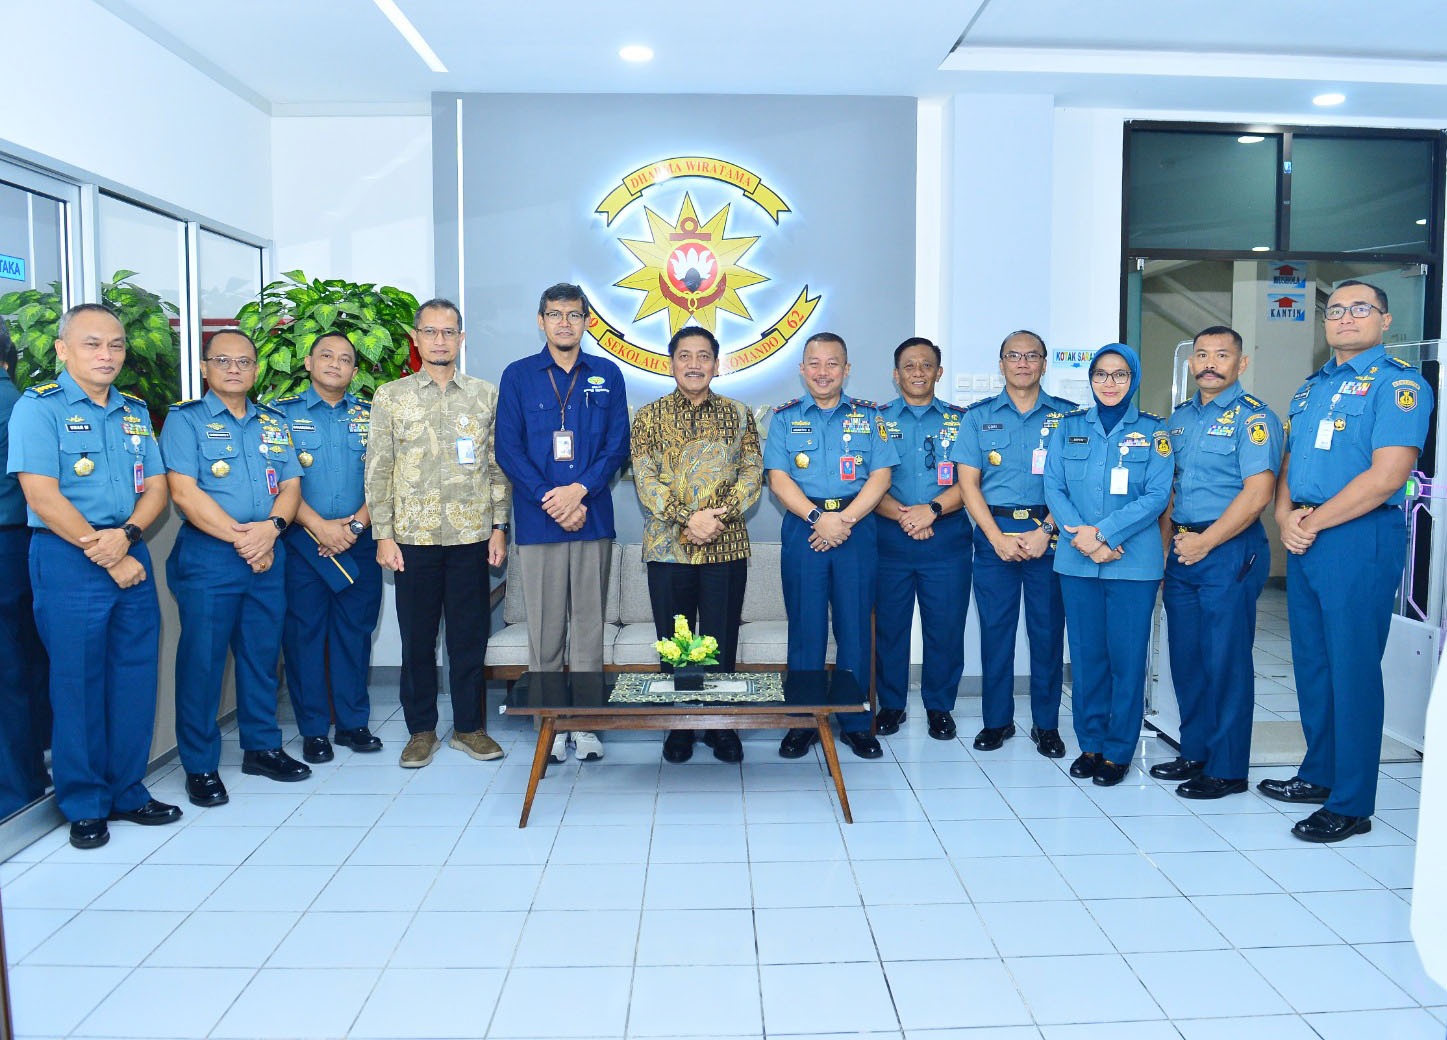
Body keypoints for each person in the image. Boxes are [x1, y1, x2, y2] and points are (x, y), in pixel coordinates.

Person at [1261, 280, 1433, 842]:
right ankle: (1320, 773)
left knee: (1354, 668)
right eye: (1335, 311)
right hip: (1306, 533)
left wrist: (1312, 521)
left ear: (1384, 321)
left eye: (1360, 309)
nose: (1344, 318)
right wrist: (1286, 515)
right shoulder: (1311, 390)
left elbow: (1388, 476)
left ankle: (1353, 801)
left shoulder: (1400, 386)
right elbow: (1289, 462)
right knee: (1313, 664)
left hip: (1358, 538)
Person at [8, 304, 179, 847]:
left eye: (116, 345)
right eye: (92, 344)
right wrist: (107, 551)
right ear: (62, 349)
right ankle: (84, 802)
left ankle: (127, 790)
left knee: (133, 676)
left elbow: (156, 487)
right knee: (77, 681)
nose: (107, 355)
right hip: (67, 556)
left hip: (126, 546)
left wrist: (126, 538)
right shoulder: (39, 410)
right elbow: (41, 495)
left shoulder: (132, 410)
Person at [162, 328, 309, 807]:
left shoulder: (271, 421)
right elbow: (184, 492)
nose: (234, 369)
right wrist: (247, 540)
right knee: (203, 662)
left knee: (263, 658)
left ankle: (262, 747)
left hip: (268, 550)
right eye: (223, 361)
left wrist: (270, 530)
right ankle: (201, 765)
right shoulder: (185, 421)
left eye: (244, 361)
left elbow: (290, 485)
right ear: (205, 367)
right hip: (211, 556)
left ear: (256, 369)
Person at [366, 299, 510, 769]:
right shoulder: (391, 396)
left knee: (468, 639)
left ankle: (469, 728)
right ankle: (421, 730)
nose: (440, 340)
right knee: (418, 640)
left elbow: (496, 468)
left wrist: (498, 526)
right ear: (416, 337)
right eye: (431, 331)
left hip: (471, 536)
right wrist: (383, 535)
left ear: (462, 339)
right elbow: (379, 469)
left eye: (449, 332)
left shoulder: (485, 395)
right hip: (413, 539)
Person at [496, 283, 631, 764]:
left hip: (592, 518)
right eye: (555, 314)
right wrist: (550, 498)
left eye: (574, 315)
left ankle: (589, 725)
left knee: (589, 630)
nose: (564, 324)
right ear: (541, 320)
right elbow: (507, 449)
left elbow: (618, 446)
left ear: (587, 321)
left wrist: (579, 492)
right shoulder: (518, 376)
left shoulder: (608, 375)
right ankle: (550, 725)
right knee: (546, 632)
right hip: (539, 522)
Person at [1155, 326, 1281, 798]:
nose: (1210, 363)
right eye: (1202, 354)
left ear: (1240, 364)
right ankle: (1195, 751)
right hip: (1183, 552)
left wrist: (1204, 543)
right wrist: (1168, 548)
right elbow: (1169, 492)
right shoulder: (1179, 420)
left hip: (1228, 550)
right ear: (1191, 364)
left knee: (1225, 659)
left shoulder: (1255, 419)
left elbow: (1258, 495)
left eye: (1222, 355)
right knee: (1186, 657)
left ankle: (1228, 769)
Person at [765, 332, 899, 760]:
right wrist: (818, 519)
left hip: (855, 529)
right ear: (802, 370)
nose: (823, 372)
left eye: (833, 364)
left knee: (855, 627)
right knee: (806, 628)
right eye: (815, 364)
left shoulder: (870, 417)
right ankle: (803, 721)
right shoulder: (784, 419)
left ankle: (856, 721)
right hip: (805, 529)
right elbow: (779, 479)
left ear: (847, 369)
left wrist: (844, 521)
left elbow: (881, 476)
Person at [632, 326, 763, 764]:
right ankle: (680, 725)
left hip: (725, 546)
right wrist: (687, 518)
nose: (694, 364)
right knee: (677, 642)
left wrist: (714, 518)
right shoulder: (648, 417)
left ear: (716, 363)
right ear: (670, 363)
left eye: (703, 355)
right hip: (669, 548)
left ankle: (721, 726)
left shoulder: (740, 414)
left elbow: (751, 475)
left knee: (720, 638)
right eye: (684, 355)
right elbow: (645, 477)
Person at [1043, 343, 1172, 786]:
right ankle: (1091, 744)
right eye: (1101, 375)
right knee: (1086, 658)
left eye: (1119, 375)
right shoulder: (1069, 426)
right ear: (1091, 379)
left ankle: (1118, 751)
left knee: (1127, 658)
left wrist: (1103, 534)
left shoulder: (1154, 432)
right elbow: (1054, 488)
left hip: (1132, 563)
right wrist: (1083, 535)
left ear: (1133, 379)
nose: (1109, 383)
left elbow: (1157, 496)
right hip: (1077, 561)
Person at [957, 330, 1075, 757]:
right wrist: (994, 537)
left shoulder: (1068, 418)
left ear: (1044, 364)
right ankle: (997, 722)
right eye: (1013, 355)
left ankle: (1047, 725)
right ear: (1001, 362)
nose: (1022, 363)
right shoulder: (977, 417)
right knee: (996, 634)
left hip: (1050, 539)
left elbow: (1072, 485)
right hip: (995, 538)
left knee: (1047, 635)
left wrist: (1045, 531)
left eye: (1031, 356)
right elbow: (968, 485)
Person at [275, 332, 385, 764]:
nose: (335, 364)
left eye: (345, 359)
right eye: (326, 356)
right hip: (304, 542)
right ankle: (314, 730)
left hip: (358, 541)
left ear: (356, 371)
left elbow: (386, 478)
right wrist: (320, 528)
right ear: (307, 362)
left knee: (354, 636)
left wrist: (354, 526)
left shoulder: (372, 416)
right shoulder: (279, 417)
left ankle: (353, 723)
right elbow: (277, 481)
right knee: (304, 637)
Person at [872, 337, 970, 741]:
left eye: (926, 365)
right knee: (890, 628)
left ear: (938, 373)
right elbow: (865, 482)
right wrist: (906, 516)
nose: (917, 372)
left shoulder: (962, 421)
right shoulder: (874, 421)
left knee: (945, 627)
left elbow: (973, 481)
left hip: (945, 539)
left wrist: (931, 511)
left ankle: (939, 707)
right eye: (909, 366)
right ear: (896, 375)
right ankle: (892, 705)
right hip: (888, 538)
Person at [0, 325, 50, 819]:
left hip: (12, 542)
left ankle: (16, 791)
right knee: (27, 665)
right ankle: (31, 776)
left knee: (10, 672)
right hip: (26, 546)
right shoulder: (28, 402)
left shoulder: (19, 406)